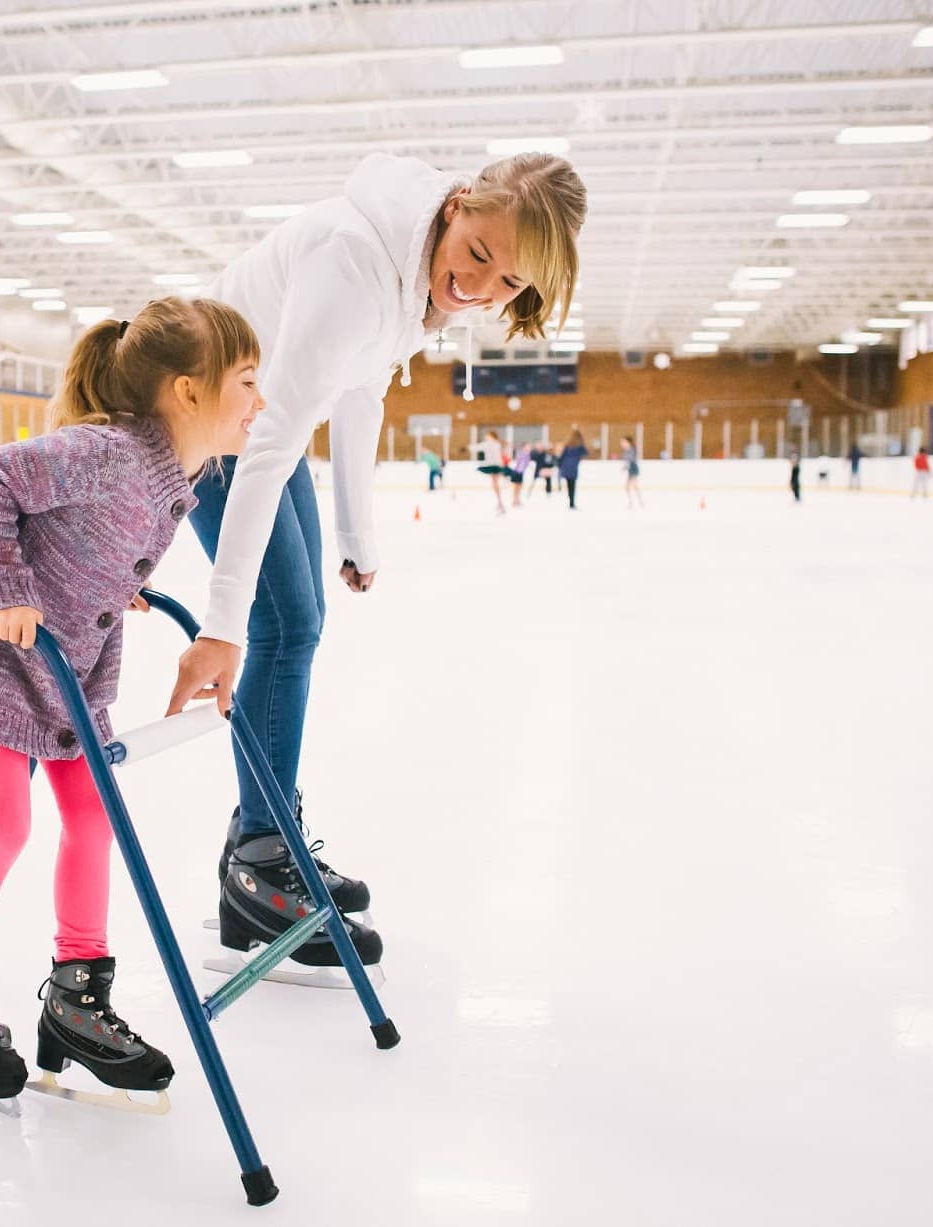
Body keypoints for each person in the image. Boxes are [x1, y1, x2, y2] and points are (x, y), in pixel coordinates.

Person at [166, 150, 585, 970]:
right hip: (207, 423)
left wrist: (358, 534)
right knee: (284, 623)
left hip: (253, 425)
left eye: (505, 285)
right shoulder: (357, 258)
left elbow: (362, 386)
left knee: (301, 623)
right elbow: (278, 433)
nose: (477, 288)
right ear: (456, 206)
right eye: (475, 257)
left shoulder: (413, 264)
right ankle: (260, 861)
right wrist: (220, 624)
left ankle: (263, 842)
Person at [0, 297, 263, 1102]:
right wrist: (3, 581)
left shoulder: (172, 469)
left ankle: (76, 994)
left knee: (95, 817)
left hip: (70, 670)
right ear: (187, 390)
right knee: (4, 824)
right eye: (246, 380)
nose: (259, 399)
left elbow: (87, 537)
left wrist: (115, 583)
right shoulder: (108, 451)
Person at [476, 434, 507, 514]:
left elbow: (476, 448)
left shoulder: (491, 444)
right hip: (495, 465)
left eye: (488, 436)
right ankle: (500, 503)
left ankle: (500, 503)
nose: (487, 438)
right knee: (495, 484)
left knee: (495, 484)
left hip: (494, 465)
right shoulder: (496, 444)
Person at [558, 428, 588, 509]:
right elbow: (586, 452)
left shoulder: (568, 445)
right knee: (572, 485)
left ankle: (570, 501)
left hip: (566, 466)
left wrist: (560, 465)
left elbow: (562, 456)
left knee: (569, 485)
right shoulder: (579, 446)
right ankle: (572, 502)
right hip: (573, 467)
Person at [622, 437, 645, 509]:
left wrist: (626, 465)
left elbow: (630, 459)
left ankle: (634, 501)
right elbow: (627, 459)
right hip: (631, 468)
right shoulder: (627, 450)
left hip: (633, 467)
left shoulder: (631, 449)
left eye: (624, 442)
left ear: (628, 442)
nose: (622, 444)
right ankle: (638, 501)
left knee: (630, 486)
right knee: (632, 486)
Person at [507, 442, 531, 507]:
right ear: (524, 447)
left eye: (529, 447)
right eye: (528, 446)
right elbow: (518, 462)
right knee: (515, 487)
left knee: (519, 487)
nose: (529, 448)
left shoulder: (528, 454)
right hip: (516, 472)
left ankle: (517, 500)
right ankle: (514, 501)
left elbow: (526, 464)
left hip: (521, 473)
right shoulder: (520, 453)